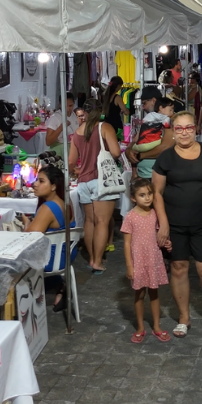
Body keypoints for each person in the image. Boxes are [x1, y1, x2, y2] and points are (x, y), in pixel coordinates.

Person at [152, 111, 202, 337]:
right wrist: (163, 223)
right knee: (178, 268)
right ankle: (184, 316)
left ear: (195, 129)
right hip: (175, 224)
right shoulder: (165, 158)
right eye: (179, 128)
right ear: (173, 132)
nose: (184, 132)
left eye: (188, 128)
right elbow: (157, 193)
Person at [68, 101, 121, 274]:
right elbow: (116, 152)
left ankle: (91, 258)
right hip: (101, 180)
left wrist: (77, 171)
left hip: (83, 182)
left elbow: (71, 161)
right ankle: (97, 261)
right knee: (102, 222)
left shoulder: (77, 132)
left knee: (90, 221)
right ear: (100, 111)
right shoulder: (104, 127)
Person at [121, 178, 171, 343]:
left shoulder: (155, 214)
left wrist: (166, 243)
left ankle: (156, 326)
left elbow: (157, 235)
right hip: (139, 261)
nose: (147, 198)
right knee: (140, 293)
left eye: (149, 194)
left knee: (154, 292)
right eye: (142, 195)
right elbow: (126, 243)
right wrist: (129, 266)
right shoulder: (130, 217)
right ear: (133, 198)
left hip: (153, 259)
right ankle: (140, 327)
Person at [22, 165, 75, 313]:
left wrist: (26, 223)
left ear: (53, 186)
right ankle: (58, 286)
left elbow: (29, 237)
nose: (35, 184)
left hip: (51, 260)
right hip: (66, 255)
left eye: (41, 181)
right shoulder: (66, 203)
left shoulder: (48, 208)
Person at [128, 91, 176, 180]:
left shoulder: (171, 122)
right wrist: (128, 151)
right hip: (143, 174)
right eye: (171, 109)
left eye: (145, 103)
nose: (143, 107)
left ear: (153, 101)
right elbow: (135, 141)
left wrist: (140, 156)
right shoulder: (151, 120)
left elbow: (164, 148)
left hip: (158, 176)